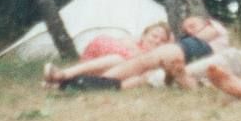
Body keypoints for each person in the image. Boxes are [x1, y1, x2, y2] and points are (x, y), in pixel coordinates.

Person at [42, 22, 171, 85]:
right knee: (118, 58)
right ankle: (64, 76)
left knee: (118, 59)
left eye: (162, 40)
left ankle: (63, 78)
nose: (157, 41)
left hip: (112, 71)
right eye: (154, 36)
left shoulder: (157, 60)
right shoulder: (131, 42)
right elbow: (121, 42)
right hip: (98, 58)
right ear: (143, 36)